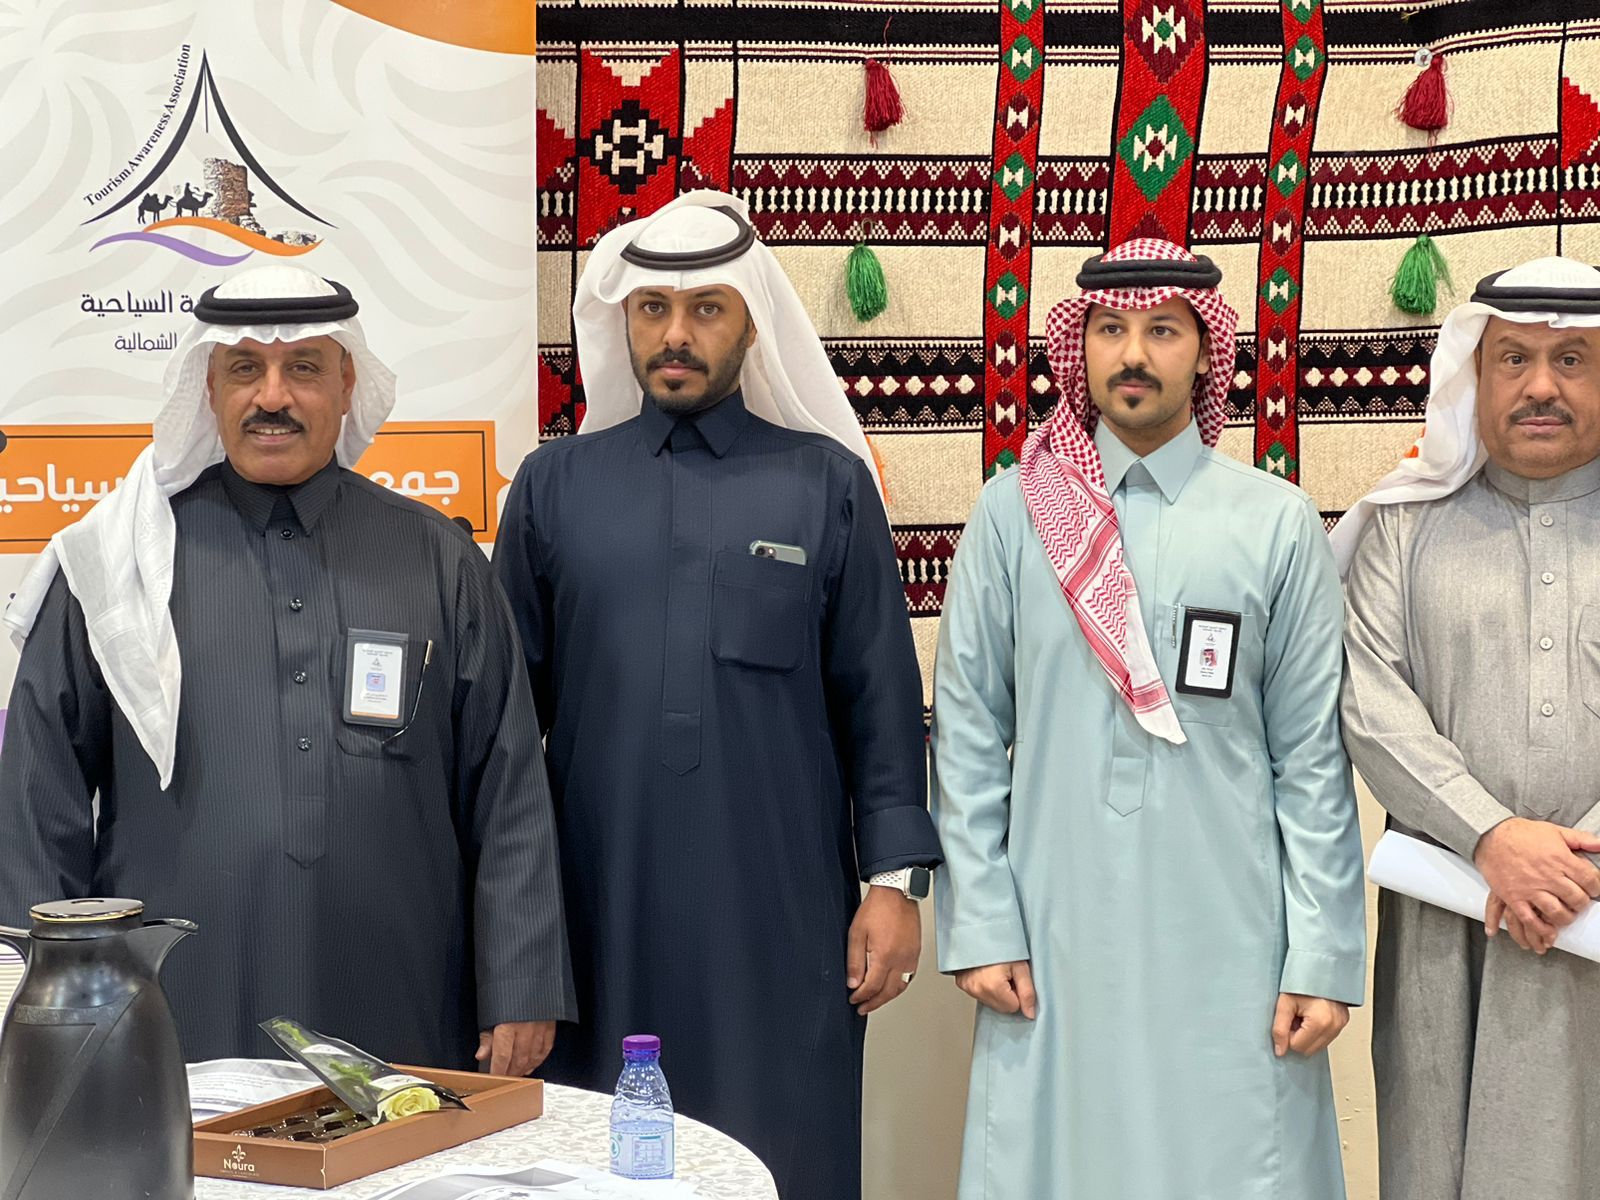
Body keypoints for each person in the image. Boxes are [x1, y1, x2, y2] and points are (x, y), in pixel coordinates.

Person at [0, 265, 574, 1074]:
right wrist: (44, 1001)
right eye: (245, 368)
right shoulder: (116, 566)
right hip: (172, 1011)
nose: (273, 396)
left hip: (404, 995)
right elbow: (39, 798)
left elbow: (507, 789)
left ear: (347, 384)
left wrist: (521, 983)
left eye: (303, 366)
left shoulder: (436, 557)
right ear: (207, 388)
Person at [492, 190, 941, 1200]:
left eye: (706, 309)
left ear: (751, 323)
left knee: (782, 1147)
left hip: (777, 909)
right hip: (597, 908)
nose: (675, 335)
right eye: (652, 309)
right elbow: (506, 734)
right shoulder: (553, 487)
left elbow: (878, 700)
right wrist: (508, 934)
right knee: (601, 1161)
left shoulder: (827, 484)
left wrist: (893, 885)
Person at [932, 239, 1366, 1198]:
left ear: (1206, 352)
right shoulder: (1012, 516)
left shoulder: (1276, 520)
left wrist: (1324, 954)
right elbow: (966, 736)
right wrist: (983, 923)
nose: (1133, 354)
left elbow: (1311, 762)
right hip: (1054, 929)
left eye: (1163, 330)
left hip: (1233, 936)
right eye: (1110, 329)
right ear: (1077, 347)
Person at [1335, 255, 1600, 1200]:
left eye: (1572, 359)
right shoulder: (1402, 526)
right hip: (1452, 914)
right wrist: (1491, 836)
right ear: (1473, 376)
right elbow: (1367, 700)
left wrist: (1573, 868)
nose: (1540, 386)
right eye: (1513, 358)